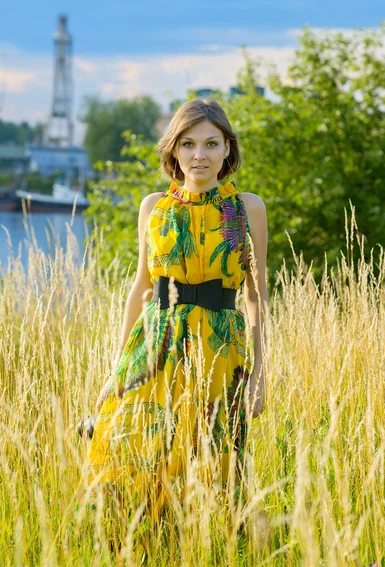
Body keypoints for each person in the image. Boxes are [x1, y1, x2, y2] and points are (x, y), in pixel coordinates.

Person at [85, 98, 269, 538]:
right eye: (188, 144)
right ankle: (135, 552)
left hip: (220, 351)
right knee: (134, 454)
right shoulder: (154, 207)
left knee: (213, 462)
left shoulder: (247, 208)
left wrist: (260, 374)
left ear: (228, 149)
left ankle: (208, 555)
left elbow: (256, 296)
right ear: (173, 151)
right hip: (155, 346)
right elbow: (140, 287)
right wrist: (115, 370)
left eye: (210, 143)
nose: (199, 155)